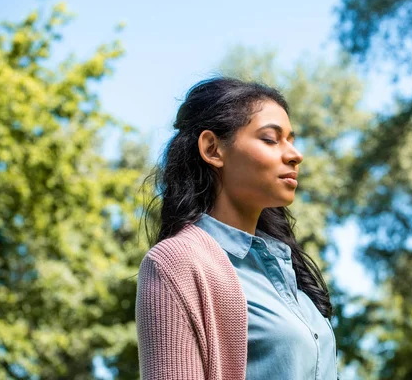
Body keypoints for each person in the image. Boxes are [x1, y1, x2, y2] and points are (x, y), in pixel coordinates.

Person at [135, 77, 338, 379]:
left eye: (291, 140)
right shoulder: (176, 264)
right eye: (270, 139)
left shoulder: (284, 269)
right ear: (212, 149)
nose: (295, 155)